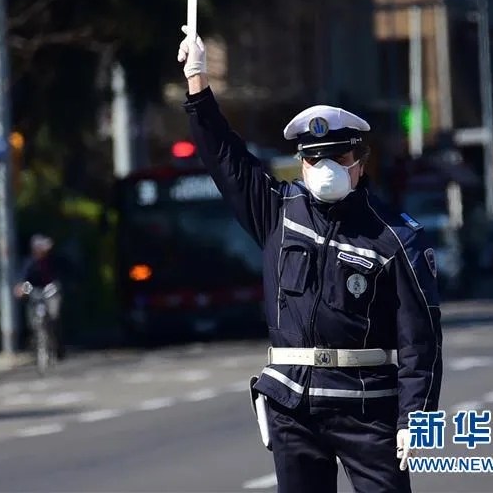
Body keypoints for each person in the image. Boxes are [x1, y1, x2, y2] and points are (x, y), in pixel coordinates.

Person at [177, 26, 442, 493]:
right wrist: (197, 82)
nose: (325, 169)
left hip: (367, 408)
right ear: (300, 162)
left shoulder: (396, 238)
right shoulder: (278, 212)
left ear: (360, 160)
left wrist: (416, 418)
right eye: (314, 158)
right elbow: (225, 157)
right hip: (291, 403)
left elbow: (420, 339)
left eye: (337, 158)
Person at [14, 234, 67, 359]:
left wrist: (59, 286)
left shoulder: (54, 260)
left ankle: (58, 346)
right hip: (36, 293)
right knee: (33, 320)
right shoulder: (29, 263)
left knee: (54, 316)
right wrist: (21, 289)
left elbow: (63, 276)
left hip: (51, 291)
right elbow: (24, 280)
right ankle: (35, 344)